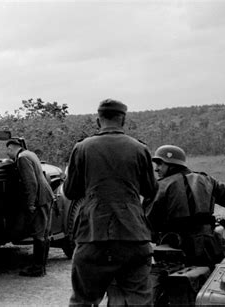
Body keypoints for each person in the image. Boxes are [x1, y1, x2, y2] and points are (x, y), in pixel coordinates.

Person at [63, 98, 158, 306]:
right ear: (123, 120)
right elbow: (151, 190)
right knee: (138, 300)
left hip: (92, 236)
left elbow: (70, 192)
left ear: (99, 121)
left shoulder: (82, 148)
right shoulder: (140, 149)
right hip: (134, 236)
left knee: (83, 300)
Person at [146, 145, 225, 267]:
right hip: (211, 244)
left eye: (160, 164)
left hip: (176, 248)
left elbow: (148, 223)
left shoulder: (159, 187)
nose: (156, 169)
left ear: (172, 164)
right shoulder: (206, 180)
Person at [6, 139, 55, 277]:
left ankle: (38, 268)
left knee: (39, 234)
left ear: (11, 149)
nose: (7, 154)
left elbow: (30, 182)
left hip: (40, 198)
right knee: (44, 233)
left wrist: (31, 203)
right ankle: (41, 267)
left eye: (8, 150)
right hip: (46, 195)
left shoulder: (22, 158)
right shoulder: (29, 154)